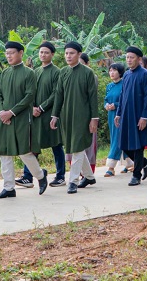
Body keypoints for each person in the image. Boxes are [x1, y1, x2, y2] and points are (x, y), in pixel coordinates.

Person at [0, 41, 48, 199]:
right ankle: (9, 187)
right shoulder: (5, 73)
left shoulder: (29, 73)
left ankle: (40, 176)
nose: (8, 56)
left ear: (21, 53)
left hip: (22, 118)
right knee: (4, 153)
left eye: (12, 53)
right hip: (5, 119)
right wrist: (3, 111)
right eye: (7, 53)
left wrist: (11, 112)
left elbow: (29, 96)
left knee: (24, 152)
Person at [50, 42, 100, 194]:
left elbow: (93, 97)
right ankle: (90, 177)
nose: (68, 56)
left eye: (71, 53)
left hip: (83, 116)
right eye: (66, 53)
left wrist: (94, 119)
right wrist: (55, 115)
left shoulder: (87, 73)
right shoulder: (63, 72)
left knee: (77, 145)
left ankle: (73, 181)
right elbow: (59, 95)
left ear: (79, 54)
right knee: (74, 146)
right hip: (67, 116)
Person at [20, 42, 65, 189]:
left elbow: (56, 94)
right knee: (33, 145)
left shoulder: (56, 71)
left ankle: (60, 176)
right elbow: (30, 91)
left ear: (52, 54)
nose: (43, 55)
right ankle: (28, 176)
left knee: (56, 145)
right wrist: (32, 108)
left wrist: (41, 107)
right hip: (35, 115)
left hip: (50, 114)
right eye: (41, 52)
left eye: (46, 52)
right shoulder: (36, 71)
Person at [115, 46, 147, 186]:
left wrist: (144, 116)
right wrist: (119, 113)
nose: (129, 60)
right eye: (127, 57)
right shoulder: (126, 74)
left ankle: (136, 175)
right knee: (124, 144)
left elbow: (146, 97)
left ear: (139, 59)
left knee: (138, 145)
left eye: (132, 57)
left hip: (139, 115)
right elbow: (122, 95)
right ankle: (145, 163)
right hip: (126, 114)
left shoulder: (145, 75)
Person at [103, 63, 132, 176]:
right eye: (110, 71)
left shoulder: (124, 84)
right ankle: (130, 163)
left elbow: (127, 100)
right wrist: (107, 106)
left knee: (117, 139)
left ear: (120, 72)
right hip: (111, 115)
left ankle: (111, 167)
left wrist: (115, 105)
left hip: (121, 115)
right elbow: (106, 99)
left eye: (114, 70)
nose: (112, 73)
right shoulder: (109, 86)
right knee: (117, 138)